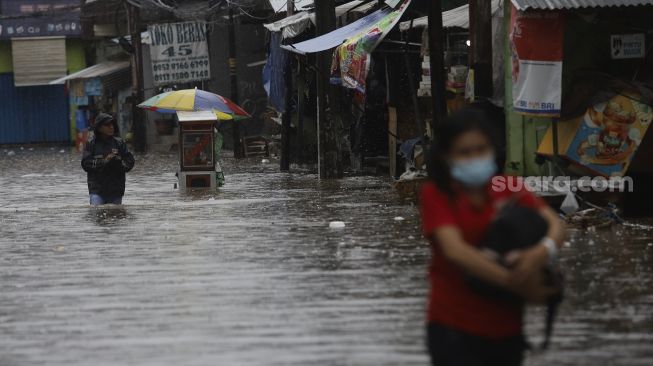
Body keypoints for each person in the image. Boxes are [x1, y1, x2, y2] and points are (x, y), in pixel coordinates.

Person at [420, 108, 565, 366]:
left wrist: (539, 253)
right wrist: (512, 281)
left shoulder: (509, 186)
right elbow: (455, 250)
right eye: (464, 152)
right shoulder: (437, 194)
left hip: (506, 328)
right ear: (446, 156)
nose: (474, 157)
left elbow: (555, 225)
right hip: (453, 326)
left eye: (480, 149)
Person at [81, 113, 135, 205]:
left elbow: (129, 163)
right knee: (96, 213)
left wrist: (117, 162)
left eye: (112, 124)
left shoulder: (119, 143)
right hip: (97, 190)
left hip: (116, 190)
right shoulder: (91, 144)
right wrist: (104, 161)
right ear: (99, 128)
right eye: (107, 125)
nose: (111, 127)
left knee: (116, 215)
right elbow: (86, 163)